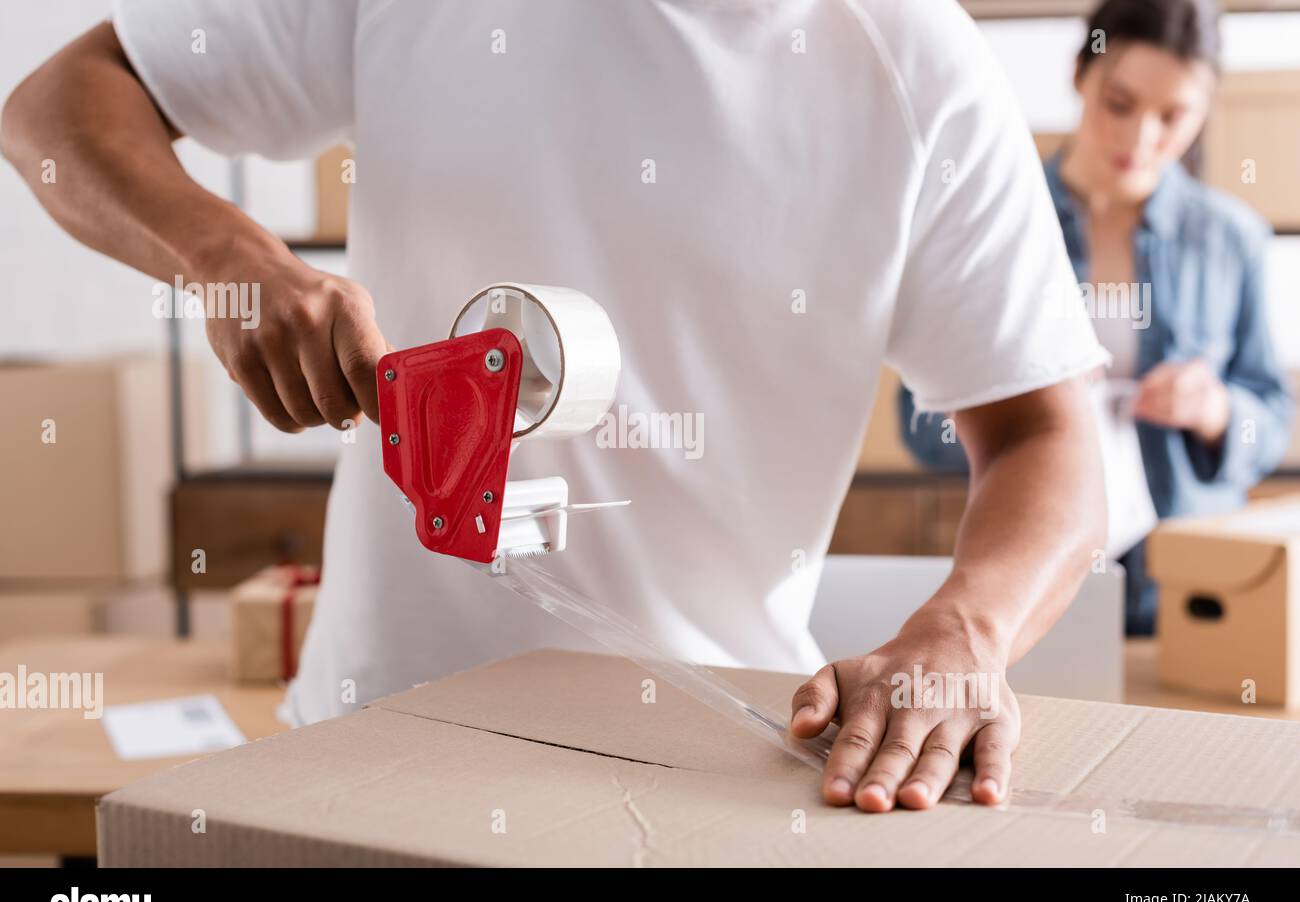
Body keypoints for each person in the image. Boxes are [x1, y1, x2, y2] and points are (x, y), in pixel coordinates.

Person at [2, 0, 1108, 813]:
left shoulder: (917, 64)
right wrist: (227, 256)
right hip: (359, 752)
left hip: (700, 786)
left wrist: (964, 631)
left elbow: (1050, 438)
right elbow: (53, 108)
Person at [898, 0, 1293, 636]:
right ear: (1081, 75)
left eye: (1173, 117)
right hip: (1036, 593)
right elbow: (918, 428)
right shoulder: (999, 222)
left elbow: (1271, 420)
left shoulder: (1230, 238)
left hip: (1192, 596)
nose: (1141, 138)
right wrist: (1033, 416)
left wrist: (1214, 410)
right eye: (1120, 103)